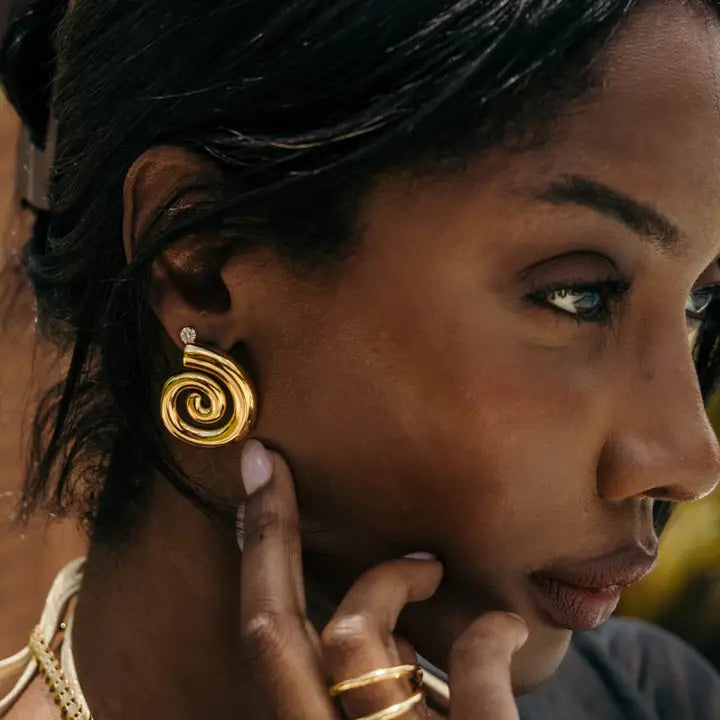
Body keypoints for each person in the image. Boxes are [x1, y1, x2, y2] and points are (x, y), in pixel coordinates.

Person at [2, 0, 720, 717]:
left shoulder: (656, 699)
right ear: (205, 265)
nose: (690, 460)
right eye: (578, 296)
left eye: (699, 302)